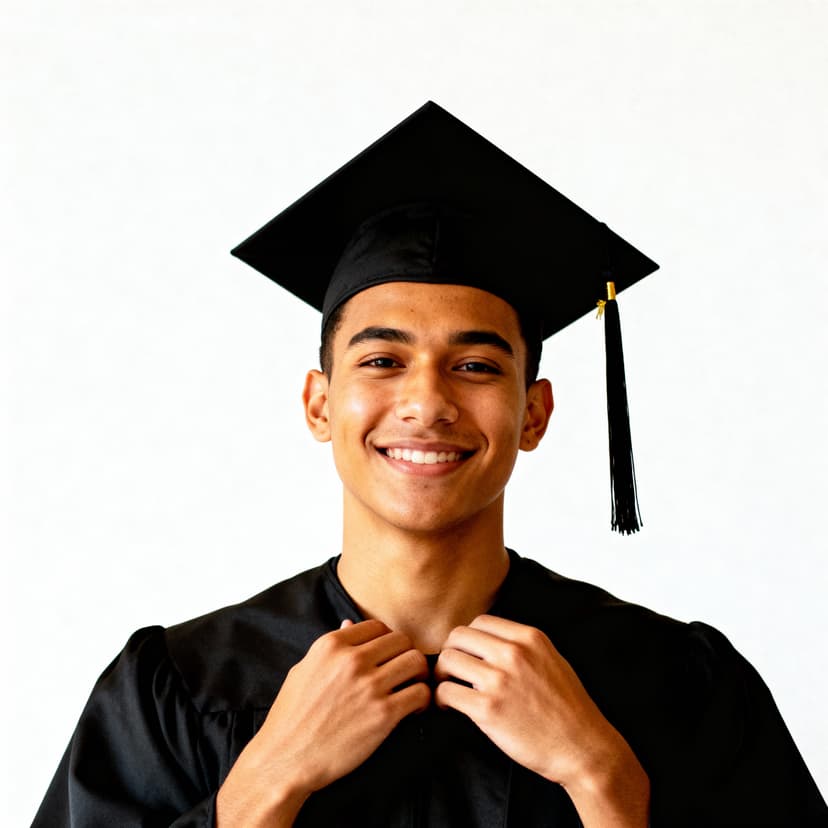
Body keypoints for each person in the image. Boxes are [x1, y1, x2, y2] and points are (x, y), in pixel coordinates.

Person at [34, 102, 827, 827]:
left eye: (477, 367)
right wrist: (262, 788)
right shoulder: (176, 690)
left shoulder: (677, 687)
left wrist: (603, 780)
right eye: (382, 360)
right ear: (318, 404)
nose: (427, 403)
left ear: (534, 414)